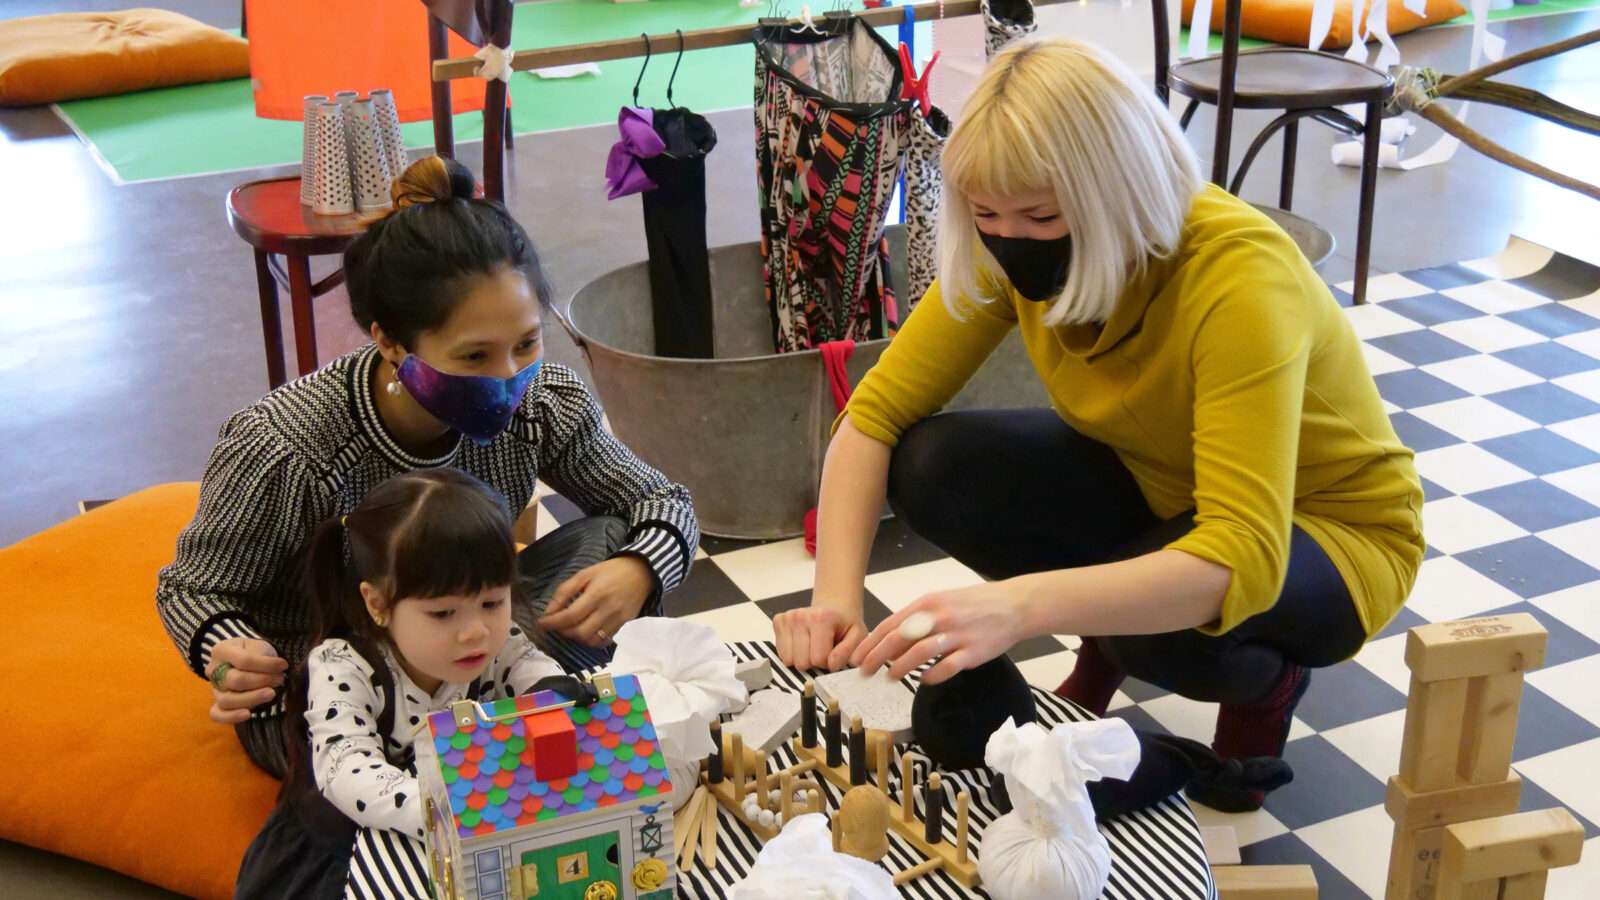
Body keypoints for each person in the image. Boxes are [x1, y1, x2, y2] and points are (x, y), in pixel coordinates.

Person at [772, 37, 1423, 811]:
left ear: (1119, 190)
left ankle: (1266, 679)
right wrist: (836, 598)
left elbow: (1237, 550)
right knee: (934, 463)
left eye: (1042, 215)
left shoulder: (1240, 278)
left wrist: (1023, 606)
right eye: (985, 214)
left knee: (1164, 627)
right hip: (1162, 492)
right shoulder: (1009, 243)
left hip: (1326, 531)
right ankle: (1109, 636)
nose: (1010, 236)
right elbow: (876, 414)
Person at [157, 156, 698, 781]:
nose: (508, 377)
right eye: (473, 354)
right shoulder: (286, 447)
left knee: (612, 541)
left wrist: (639, 568)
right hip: (335, 685)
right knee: (336, 766)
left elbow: (661, 500)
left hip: (469, 647)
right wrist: (226, 655)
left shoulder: (544, 400)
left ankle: (483, 748)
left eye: (526, 342)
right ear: (390, 342)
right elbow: (193, 588)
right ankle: (483, 755)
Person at [234, 468, 567, 899]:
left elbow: (527, 665)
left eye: (492, 602)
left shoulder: (494, 644)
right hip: (349, 845)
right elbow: (347, 770)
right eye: (443, 614)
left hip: (464, 824)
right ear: (378, 603)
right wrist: (450, 810)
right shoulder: (344, 664)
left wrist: (558, 693)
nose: (475, 632)